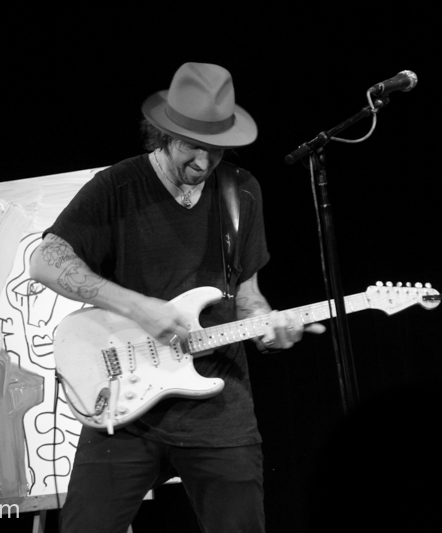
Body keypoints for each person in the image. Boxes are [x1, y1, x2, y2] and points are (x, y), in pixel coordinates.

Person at [28, 62, 325, 533]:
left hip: (219, 412)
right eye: (192, 147)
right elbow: (45, 261)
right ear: (163, 134)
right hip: (124, 406)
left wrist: (271, 330)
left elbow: (248, 297)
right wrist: (138, 307)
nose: (204, 164)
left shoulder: (242, 191)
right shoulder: (117, 187)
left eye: (215, 150)